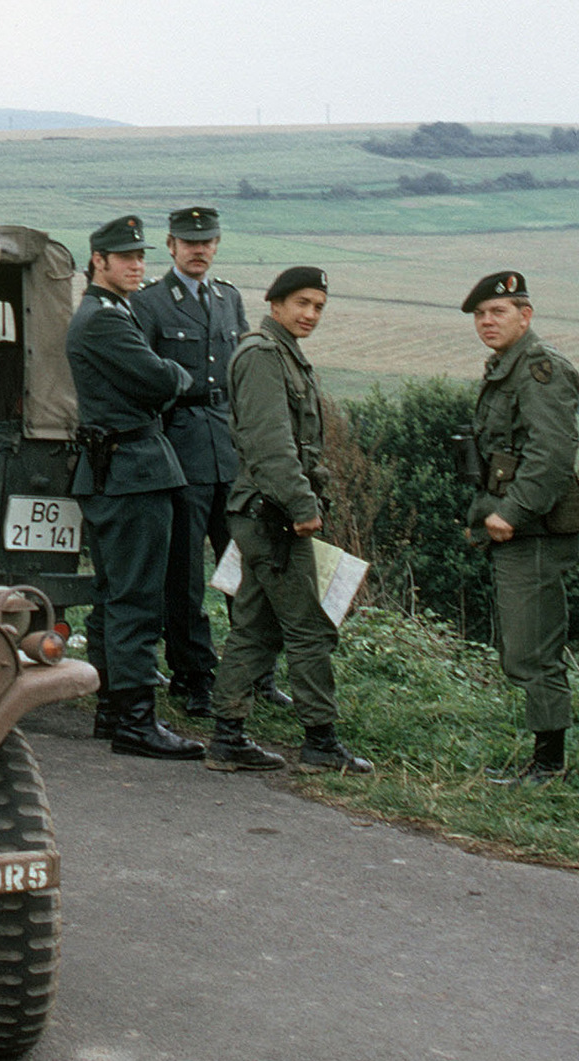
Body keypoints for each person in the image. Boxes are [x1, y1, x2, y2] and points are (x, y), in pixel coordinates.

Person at [208, 267, 372, 775]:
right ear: (275, 303)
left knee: (255, 628)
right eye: (302, 303)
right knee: (310, 629)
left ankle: (227, 736)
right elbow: (272, 445)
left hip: (264, 513)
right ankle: (321, 742)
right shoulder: (262, 356)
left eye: (319, 306)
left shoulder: (282, 355)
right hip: (274, 516)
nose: (311, 315)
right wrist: (303, 508)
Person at [130, 206, 280, 717]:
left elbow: (240, 381)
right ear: (171, 245)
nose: (199, 250)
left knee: (244, 566)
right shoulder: (150, 303)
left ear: (217, 245)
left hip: (229, 451)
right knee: (185, 575)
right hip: (180, 450)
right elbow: (145, 385)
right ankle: (193, 675)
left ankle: (255, 670)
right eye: (189, 242)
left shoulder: (228, 298)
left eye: (208, 241)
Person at [68, 215, 204, 760]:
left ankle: (111, 710)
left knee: (115, 594)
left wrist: (164, 376)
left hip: (123, 467)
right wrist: (176, 376)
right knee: (136, 598)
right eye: (125, 257)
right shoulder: (103, 320)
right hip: (131, 469)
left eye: (141, 256)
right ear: (98, 261)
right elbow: (159, 379)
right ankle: (134, 721)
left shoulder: (114, 312)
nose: (137, 265)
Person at [459, 271, 579, 784]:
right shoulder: (506, 367)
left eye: (499, 311)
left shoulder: (539, 369)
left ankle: (550, 765)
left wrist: (510, 513)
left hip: (533, 528)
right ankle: (544, 757)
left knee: (534, 648)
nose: (487, 321)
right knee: (522, 646)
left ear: (525, 316)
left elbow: (553, 454)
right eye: (480, 314)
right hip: (518, 525)